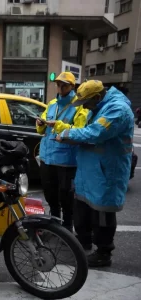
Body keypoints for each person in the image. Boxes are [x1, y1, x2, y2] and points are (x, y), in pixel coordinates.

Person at [55, 80, 134, 267]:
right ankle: (83, 242)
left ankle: (103, 253)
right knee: (82, 208)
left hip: (106, 171)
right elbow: (87, 132)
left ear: (98, 97)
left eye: (87, 103)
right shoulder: (99, 106)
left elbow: (95, 133)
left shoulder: (117, 110)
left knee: (102, 214)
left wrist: (67, 135)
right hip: (89, 170)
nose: (85, 107)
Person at [36, 72, 89, 232]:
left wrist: (58, 125)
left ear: (72, 86)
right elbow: (41, 130)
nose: (60, 87)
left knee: (66, 196)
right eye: (58, 84)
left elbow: (81, 131)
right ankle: (54, 224)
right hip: (47, 157)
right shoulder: (52, 103)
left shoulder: (79, 106)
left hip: (66, 160)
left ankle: (67, 226)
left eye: (64, 84)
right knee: (50, 194)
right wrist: (40, 123)